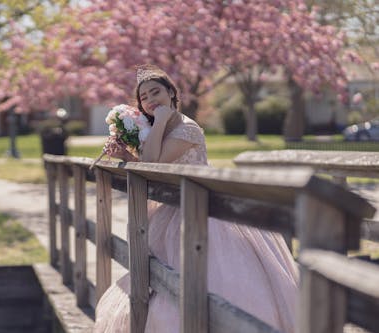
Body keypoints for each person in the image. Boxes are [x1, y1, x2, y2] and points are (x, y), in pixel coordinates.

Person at [94, 65, 298, 333]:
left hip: (202, 208)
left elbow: (152, 163)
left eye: (156, 92)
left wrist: (163, 118)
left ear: (171, 92)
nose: (150, 100)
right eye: (144, 97)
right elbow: (148, 164)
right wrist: (125, 155)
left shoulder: (187, 129)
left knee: (212, 275)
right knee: (160, 276)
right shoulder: (162, 127)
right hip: (174, 206)